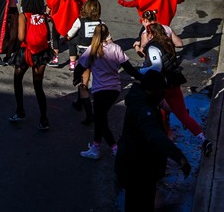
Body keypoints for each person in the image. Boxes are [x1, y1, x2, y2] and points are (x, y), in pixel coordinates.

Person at [114, 71, 192, 212]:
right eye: (162, 91)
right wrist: (179, 156)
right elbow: (155, 135)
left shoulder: (141, 98)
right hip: (139, 170)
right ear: (152, 90)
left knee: (133, 203)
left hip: (135, 167)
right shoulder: (144, 110)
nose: (164, 94)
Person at [140, 22, 213, 156]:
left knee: (156, 113)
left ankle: (160, 146)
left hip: (162, 87)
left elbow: (157, 66)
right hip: (175, 82)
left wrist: (142, 71)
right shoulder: (166, 42)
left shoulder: (153, 47)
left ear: (150, 34)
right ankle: (203, 140)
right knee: (183, 115)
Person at [73, 22, 141, 159]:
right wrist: (142, 78)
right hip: (114, 89)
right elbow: (128, 68)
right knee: (100, 118)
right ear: (107, 34)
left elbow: (79, 67)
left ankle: (115, 148)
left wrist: (76, 80)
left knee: (100, 121)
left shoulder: (92, 49)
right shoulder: (116, 48)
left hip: (100, 90)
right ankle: (95, 147)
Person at [8, 0, 54, 130]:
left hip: (25, 52)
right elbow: (48, 36)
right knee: (38, 86)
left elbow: (21, 37)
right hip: (41, 53)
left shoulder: (23, 16)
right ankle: (44, 119)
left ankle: (20, 111)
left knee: (17, 80)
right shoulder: (43, 16)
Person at [46, 0, 83, 70]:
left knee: (55, 38)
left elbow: (51, 3)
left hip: (58, 19)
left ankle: (55, 59)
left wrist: (48, 13)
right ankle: (72, 64)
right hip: (74, 20)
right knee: (72, 42)